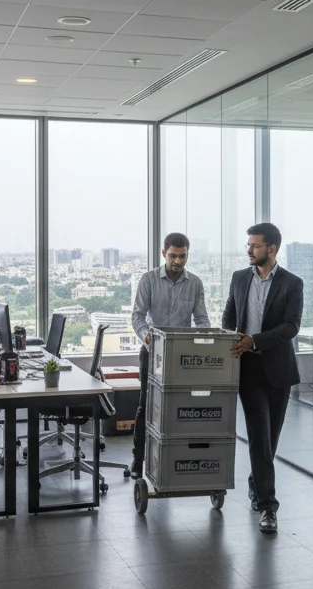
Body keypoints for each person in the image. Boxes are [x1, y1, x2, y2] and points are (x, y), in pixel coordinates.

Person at [221, 222, 303, 535]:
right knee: (259, 434)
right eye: (249, 245)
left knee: (271, 438)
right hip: (248, 370)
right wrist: (232, 340)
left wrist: (254, 339)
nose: (249, 250)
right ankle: (268, 506)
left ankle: (257, 483)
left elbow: (290, 327)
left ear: (271, 248)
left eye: (255, 245)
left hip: (278, 369)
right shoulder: (239, 278)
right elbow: (230, 316)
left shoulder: (292, 283)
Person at [129, 232, 210, 478]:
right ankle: (138, 460)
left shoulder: (195, 283)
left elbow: (202, 318)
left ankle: (174, 457)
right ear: (164, 254)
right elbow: (137, 316)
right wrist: (146, 336)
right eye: (173, 256)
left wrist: (207, 342)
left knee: (181, 405)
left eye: (182, 256)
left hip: (182, 356)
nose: (177, 261)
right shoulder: (149, 280)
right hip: (152, 353)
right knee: (146, 406)